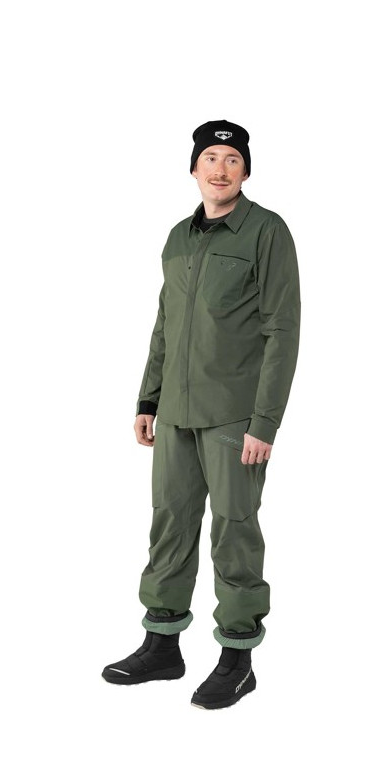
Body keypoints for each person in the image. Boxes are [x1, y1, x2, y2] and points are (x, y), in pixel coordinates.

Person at [102, 120, 301, 710]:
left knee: (234, 531)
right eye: (210, 158)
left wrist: (265, 423)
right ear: (193, 168)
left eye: (232, 160)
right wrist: (149, 399)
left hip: (234, 416)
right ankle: (162, 646)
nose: (220, 169)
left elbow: (283, 331)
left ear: (246, 171)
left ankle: (237, 657)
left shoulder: (267, 231)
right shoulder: (178, 237)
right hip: (176, 414)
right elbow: (166, 322)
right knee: (169, 523)